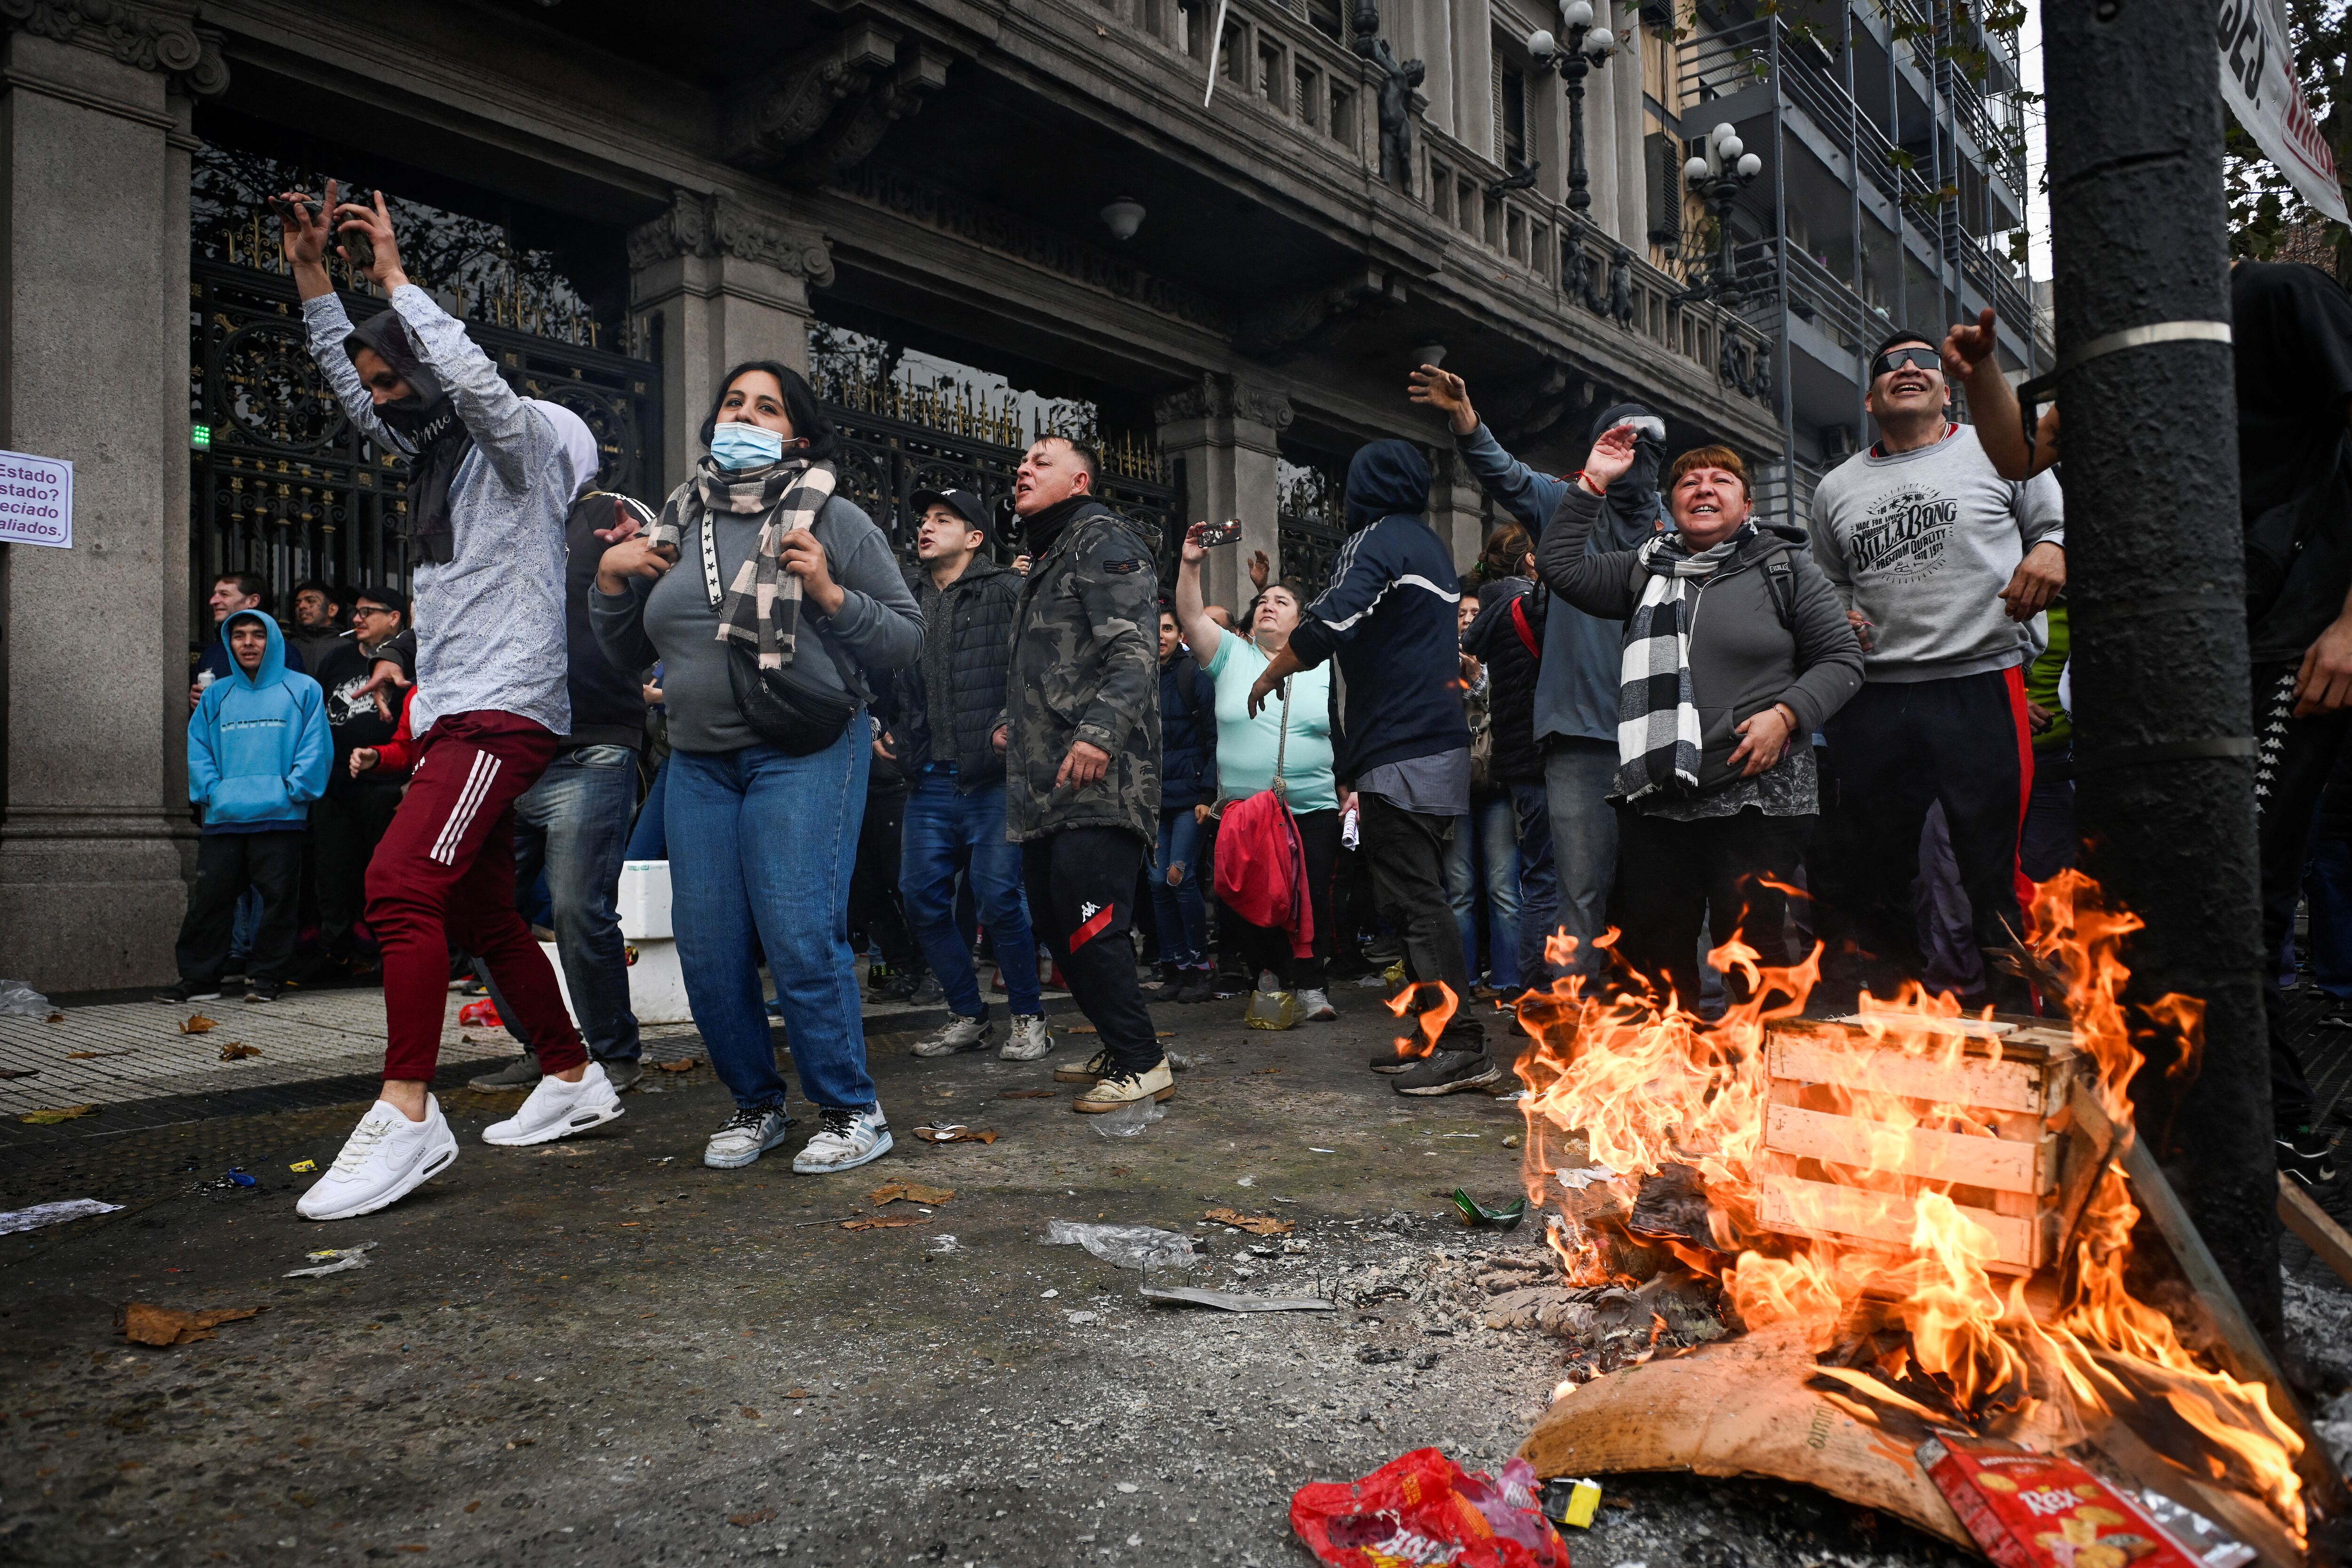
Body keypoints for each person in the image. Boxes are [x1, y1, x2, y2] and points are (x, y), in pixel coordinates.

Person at [282, 183, 624, 1223]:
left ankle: (409, 1108)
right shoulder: (433, 460)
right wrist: (313, 280)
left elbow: (471, 380)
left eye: (400, 378)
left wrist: (396, 277)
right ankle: (572, 1074)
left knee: (396, 885)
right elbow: (358, 387)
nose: (384, 394)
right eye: (383, 380)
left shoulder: (519, 458)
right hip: (453, 714)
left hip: (500, 714)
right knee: (478, 907)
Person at [594, 359, 922, 1171]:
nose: (745, 414)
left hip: (803, 749)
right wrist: (609, 581)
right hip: (699, 762)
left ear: (797, 433)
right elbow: (629, 648)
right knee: (708, 945)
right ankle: (757, 1102)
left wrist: (832, 593)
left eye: (766, 406)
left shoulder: (833, 516)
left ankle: (851, 1110)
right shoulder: (674, 520)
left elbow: (910, 640)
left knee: (797, 929)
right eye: (734, 402)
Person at [1542, 438, 1864, 1007]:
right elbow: (1559, 566)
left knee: (1751, 948)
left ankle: (1756, 1078)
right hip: (1659, 793)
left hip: (1758, 793)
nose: (1704, 489)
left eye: (1721, 480)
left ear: (1747, 505)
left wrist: (1785, 717)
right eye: (1689, 482)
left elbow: (1841, 659)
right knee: (1656, 949)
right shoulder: (1643, 571)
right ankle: (1681, 1080)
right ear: (1672, 505)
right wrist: (1592, 480)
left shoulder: (1785, 567)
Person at [1809, 328, 2065, 1006]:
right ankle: (1898, 1021)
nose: (1909, 369)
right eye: (1890, 365)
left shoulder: (1997, 449)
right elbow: (1829, 584)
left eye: (1924, 361)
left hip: (1981, 681)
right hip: (1877, 697)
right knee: (1878, 871)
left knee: (1993, 871)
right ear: (1870, 398)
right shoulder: (1835, 487)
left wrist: (2050, 553)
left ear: (1948, 389)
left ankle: (2015, 1022)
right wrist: (1841, 617)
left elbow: (2056, 527)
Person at [1252, 439, 1494, 1093]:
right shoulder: (1428, 543)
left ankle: (1461, 1041)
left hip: (1404, 744)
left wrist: (1274, 669)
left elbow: (1334, 616)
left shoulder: (1379, 538)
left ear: (1366, 486)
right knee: (1405, 894)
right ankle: (1433, 1033)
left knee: (1416, 896)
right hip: (1425, 742)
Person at [1411, 367, 1661, 987]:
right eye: (1621, 446)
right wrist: (1466, 419)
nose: (1636, 462)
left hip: (1663, 734)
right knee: (1577, 893)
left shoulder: (1677, 526)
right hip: (1579, 738)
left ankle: (1656, 1026)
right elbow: (1505, 474)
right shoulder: (1567, 506)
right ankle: (1572, 1034)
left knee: (1663, 893)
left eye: (1648, 450)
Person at [468, 440, 660, 1095]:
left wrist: (645, 551)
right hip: (508, 747)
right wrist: (399, 650)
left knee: (579, 908)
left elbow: (668, 569)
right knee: (479, 903)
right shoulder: (494, 525)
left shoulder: (607, 511)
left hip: (592, 744)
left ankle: (612, 1055)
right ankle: (553, 1050)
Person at [995, 435, 1170, 1110]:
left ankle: (1142, 1060)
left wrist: (1098, 734)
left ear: (1080, 482)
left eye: (1042, 462)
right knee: (1054, 916)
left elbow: (1133, 652)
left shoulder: (1101, 537)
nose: (1023, 469)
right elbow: (1056, 666)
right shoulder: (1051, 553)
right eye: (1023, 462)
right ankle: (1116, 1037)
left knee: (1091, 917)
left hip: (1104, 775)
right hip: (1048, 780)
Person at [887, 488, 1049, 1059]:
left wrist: (1011, 721)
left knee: (999, 899)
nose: (926, 528)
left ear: (975, 538)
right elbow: (880, 669)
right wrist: (886, 724)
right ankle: (968, 1014)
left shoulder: (1008, 591)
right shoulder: (903, 597)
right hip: (928, 777)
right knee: (921, 898)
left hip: (993, 776)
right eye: (923, 519)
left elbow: (1036, 666)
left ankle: (1029, 1017)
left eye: (942, 520)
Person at [1174, 527, 1341, 1026]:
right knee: (1246, 895)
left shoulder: (1326, 663)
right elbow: (1188, 616)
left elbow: (1345, 728)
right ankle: (1268, 972)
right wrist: (1191, 564)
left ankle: (1311, 985)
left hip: (1311, 804)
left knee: (1308, 896)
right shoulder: (1228, 655)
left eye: (1282, 600)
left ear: (1301, 617)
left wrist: (1351, 788)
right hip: (1245, 810)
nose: (1269, 605)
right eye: (1263, 599)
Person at [157, 610, 330, 1005]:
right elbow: (198, 746)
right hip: (225, 816)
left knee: (278, 901)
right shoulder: (216, 695)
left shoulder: (303, 689)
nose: (248, 643)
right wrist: (213, 792)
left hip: (281, 814)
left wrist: (293, 790)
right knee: (211, 901)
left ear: (273, 639)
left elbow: (316, 746)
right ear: (228, 643)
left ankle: (268, 977)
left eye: (257, 635)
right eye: (239, 636)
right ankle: (200, 980)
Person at [1460, 537, 1555, 998]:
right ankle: (1542, 994)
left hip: (1514, 763)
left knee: (1530, 881)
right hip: (1548, 756)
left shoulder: (1491, 615)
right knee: (1550, 882)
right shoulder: (1537, 606)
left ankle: (1525, 991)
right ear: (1532, 559)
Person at [306, 586, 413, 977]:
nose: (357, 619)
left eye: (369, 611)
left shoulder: (409, 666)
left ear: (395, 618)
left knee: (386, 876)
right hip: (335, 787)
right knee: (333, 875)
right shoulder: (337, 659)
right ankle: (335, 953)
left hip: (387, 789)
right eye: (356, 611)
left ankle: (391, 956)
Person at [1446, 591, 1521, 998]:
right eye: (1461, 613)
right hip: (1453, 787)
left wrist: (1477, 682)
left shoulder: (1501, 656)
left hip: (1495, 784)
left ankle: (1509, 980)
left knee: (1504, 887)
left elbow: (1510, 708)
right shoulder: (1437, 659)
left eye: (1476, 613)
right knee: (1459, 889)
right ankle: (1465, 980)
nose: (1468, 620)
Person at [1152, 605, 1218, 1004]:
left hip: (1191, 799)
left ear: (1181, 634)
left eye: (1166, 627)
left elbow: (1214, 737)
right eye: (1152, 627)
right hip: (1152, 800)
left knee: (1180, 877)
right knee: (1158, 884)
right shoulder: (1136, 677)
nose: (1158, 634)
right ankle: (1174, 967)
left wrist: (1208, 795)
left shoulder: (1195, 674)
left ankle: (1200, 967)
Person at [191, 571, 307, 710]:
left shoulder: (283, 652)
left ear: (253, 601)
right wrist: (195, 699)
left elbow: (297, 706)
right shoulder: (211, 653)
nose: (213, 601)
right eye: (238, 637)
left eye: (224, 594)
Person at [287, 578, 346, 672]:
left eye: (311, 601)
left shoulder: (348, 649)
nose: (301, 606)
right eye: (297, 604)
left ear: (332, 610)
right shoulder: (289, 648)